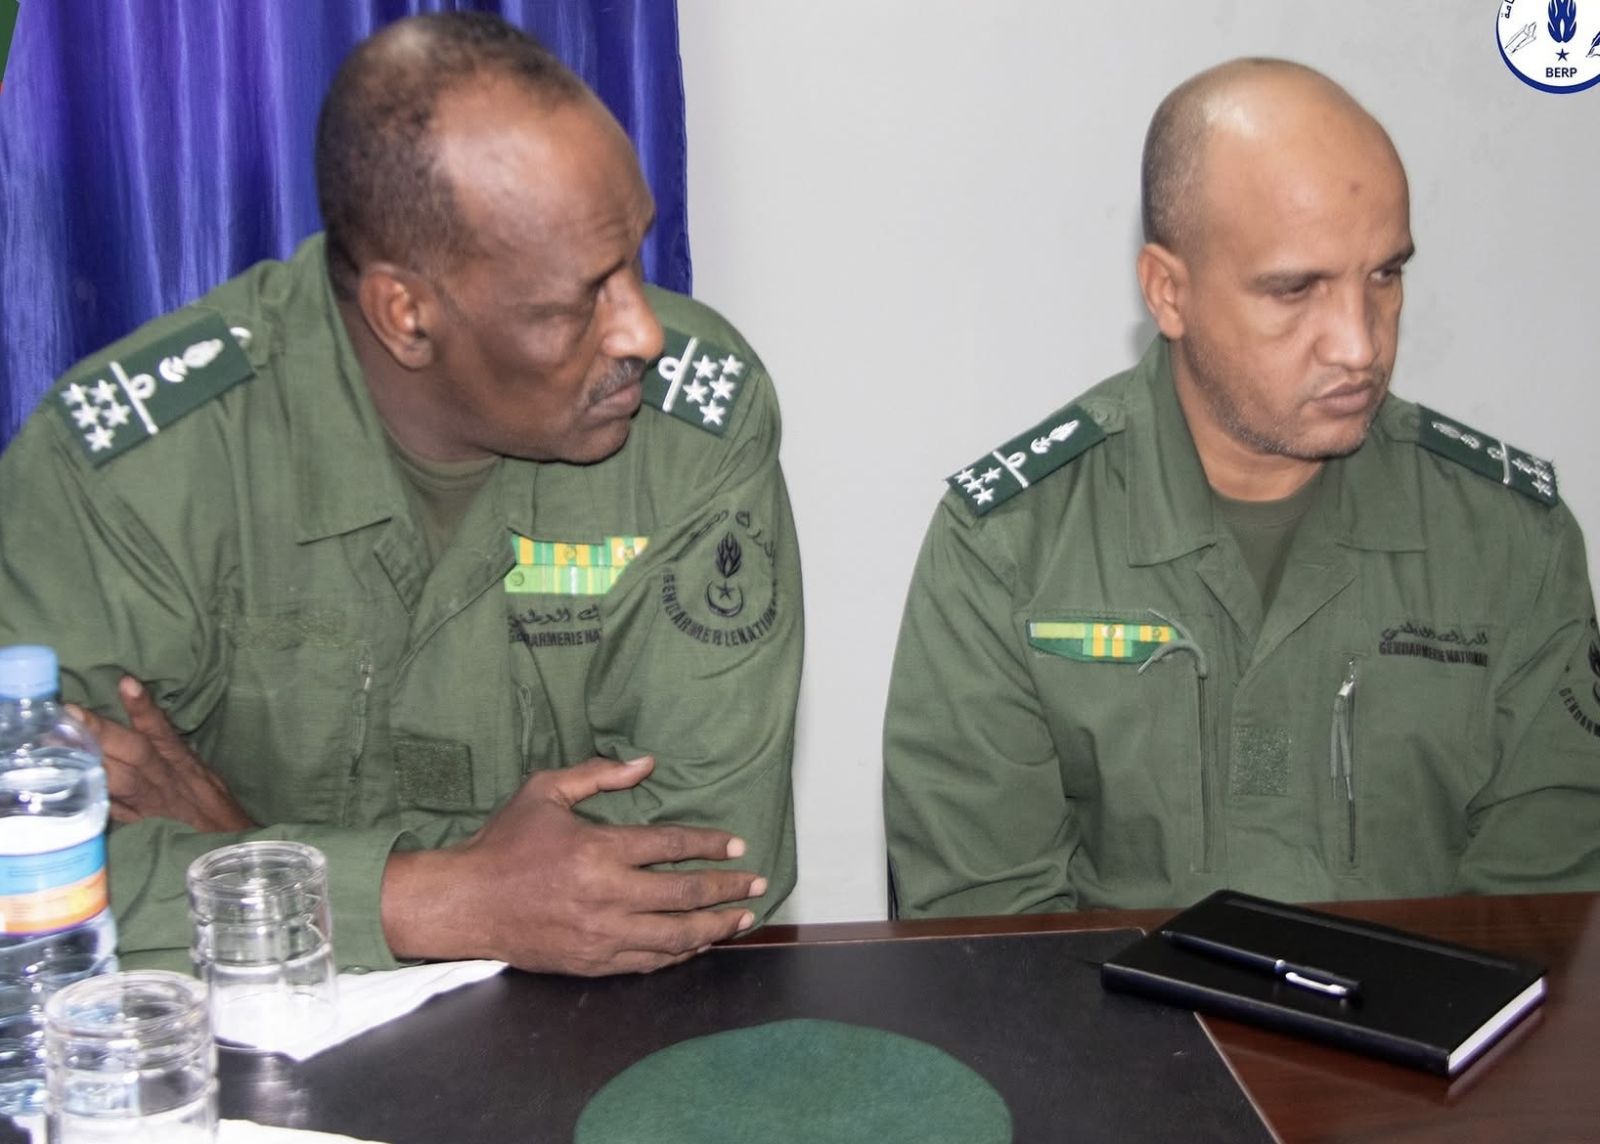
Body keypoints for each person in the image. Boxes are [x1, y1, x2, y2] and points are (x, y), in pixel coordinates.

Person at [0, 12, 801, 975]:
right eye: (580, 298)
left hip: (601, 1036)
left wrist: (248, 854)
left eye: (635, 256)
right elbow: (22, 876)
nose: (642, 333)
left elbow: (707, 865)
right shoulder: (144, 466)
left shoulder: (694, 428)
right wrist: (444, 898)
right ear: (406, 315)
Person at [883, 58, 1600, 919]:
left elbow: (1547, 917)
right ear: (1169, 292)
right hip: (1108, 1012)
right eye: (1295, 289)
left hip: (1434, 1010)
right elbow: (986, 929)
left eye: (1385, 275)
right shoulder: (1012, 546)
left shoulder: (1510, 540)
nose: (1359, 345)